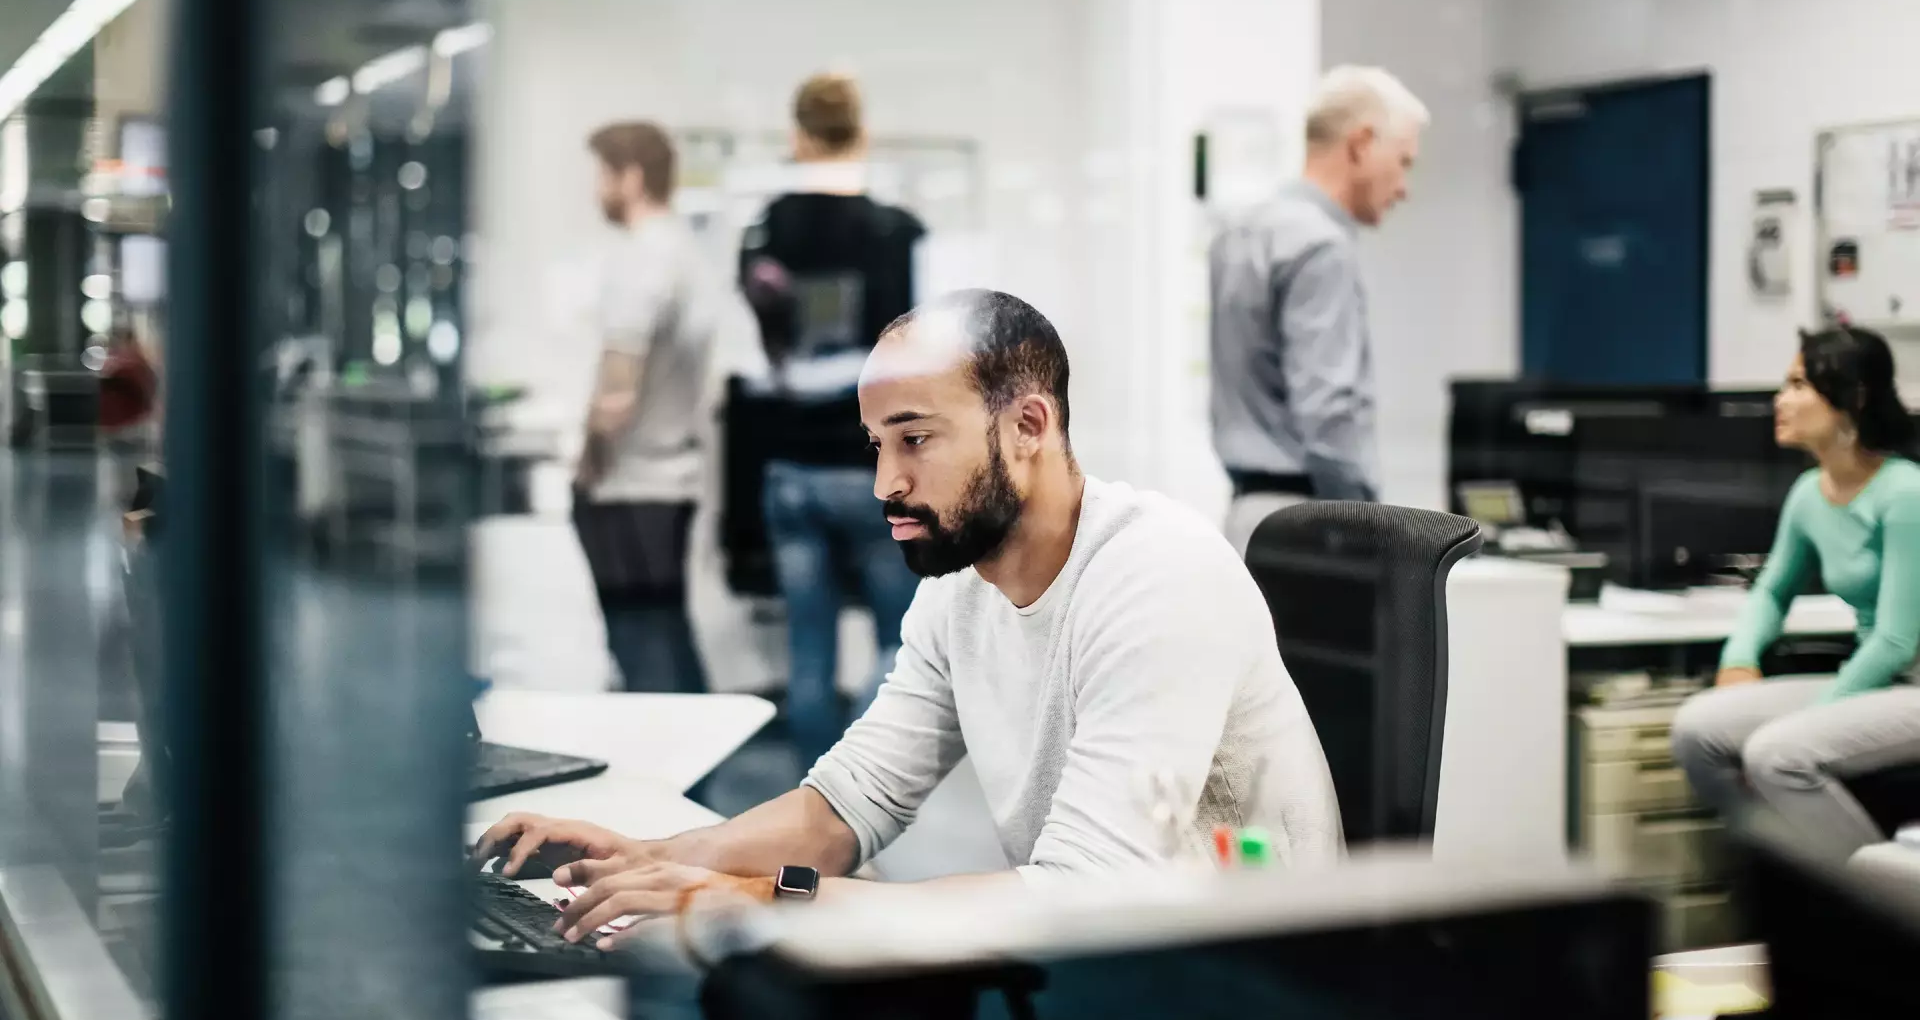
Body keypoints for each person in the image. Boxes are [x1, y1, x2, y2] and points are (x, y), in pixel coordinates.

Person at [476, 290, 1342, 936]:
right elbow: (838, 815)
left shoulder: (1156, 577)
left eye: (916, 439)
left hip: (1245, 996)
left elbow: (1079, 900)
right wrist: (644, 858)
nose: (885, 483)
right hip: (1110, 979)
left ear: (1028, 425)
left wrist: (742, 897)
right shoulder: (960, 592)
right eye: (877, 446)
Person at [1670, 327, 1920, 861]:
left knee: (1778, 752)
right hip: (1886, 683)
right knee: (1698, 730)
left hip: (1910, 682)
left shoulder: (1906, 494)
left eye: (1797, 383)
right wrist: (1739, 660)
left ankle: (1877, 909)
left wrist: (1815, 714)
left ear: (1852, 398)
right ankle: (1787, 878)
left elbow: (1897, 639)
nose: (1779, 400)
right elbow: (1772, 592)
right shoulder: (1810, 493)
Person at [739, 73, 925, 762]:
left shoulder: (765, 231)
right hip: (873, 466)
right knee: (897, 644)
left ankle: (813, 799)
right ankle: (864, 791)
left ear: (797, 136)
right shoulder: (897, 233)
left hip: (790, 467)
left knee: (808, 650)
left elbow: (755, 351)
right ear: (862, 133)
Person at [1210, 65, 1428, 555]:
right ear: (1362, 144)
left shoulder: (1240, 232)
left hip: (1247, 519)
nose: (1403, 187)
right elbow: (1328, 415)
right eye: (1404, 161)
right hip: (1312, 525)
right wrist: (1369, 526)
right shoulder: (1322, 247)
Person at [573, 121, 718, 693]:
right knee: (664, 640)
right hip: (668, 480)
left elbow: (615, 392)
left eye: (601, 175)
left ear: (630, 178)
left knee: (645, 653)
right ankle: (692, 783)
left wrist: (586, 464)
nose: (595, 191)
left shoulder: (642, 259)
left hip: (630, 488)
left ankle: (671, 784)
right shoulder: (685, 252)